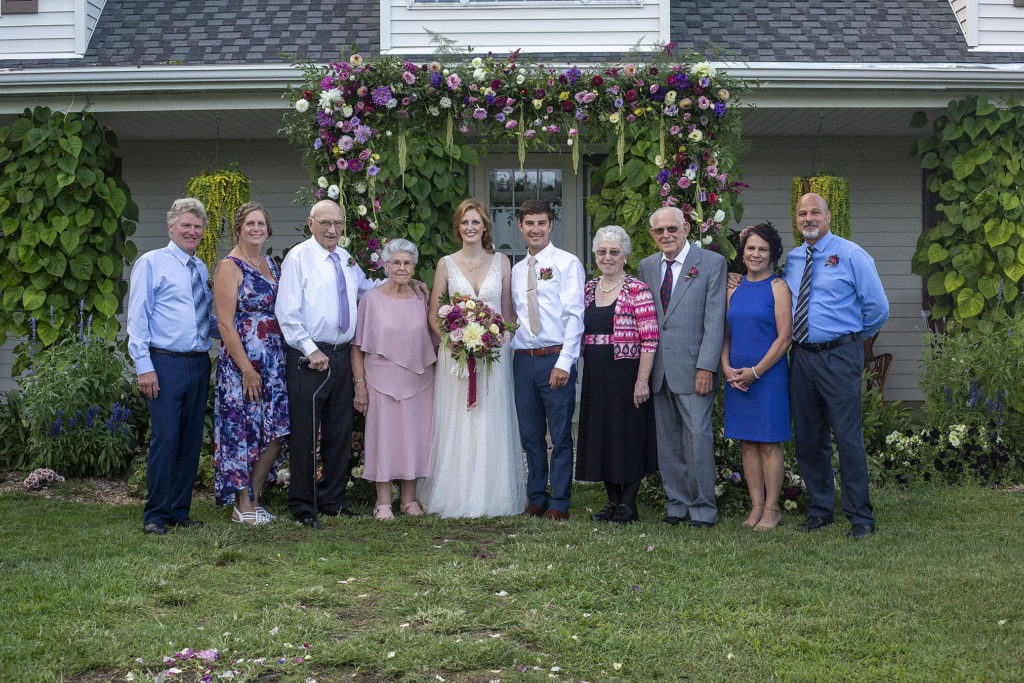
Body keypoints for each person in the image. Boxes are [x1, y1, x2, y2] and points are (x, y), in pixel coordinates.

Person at [275, 200, 428, 527]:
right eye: (325, 223)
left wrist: (404, 281)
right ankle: (303, 505)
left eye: (338, 224)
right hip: (309, 357)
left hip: (342, 355)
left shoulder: (344, 258)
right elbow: (286, 312)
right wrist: (309, 348)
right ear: (311, 223)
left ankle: (333, 499)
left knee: (340, 432)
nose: (332, 230)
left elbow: (370, 289)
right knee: (306, 433)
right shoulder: (298, 258)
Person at [784, 193, 888, 538]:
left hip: (840, 355)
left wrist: (852, 339)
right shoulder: (795, 258)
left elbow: (877, 309)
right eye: (802, 213)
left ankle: (860, 517)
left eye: (815, 212)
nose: (808, 218)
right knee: (810, 437)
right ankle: (820, 510)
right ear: (796, 221)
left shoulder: (851, 254)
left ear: (828, 217)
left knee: (847, 437)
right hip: (801, 356)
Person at [420, 199, 526, 517]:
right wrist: (451, 343)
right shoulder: (445, 263)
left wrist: (497, 340)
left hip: (494, 356)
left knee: (491, 419)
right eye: (465, 222)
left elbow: (507, 314)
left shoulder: (502, 262)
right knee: (459, 420)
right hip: (456, 356)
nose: (470, 228)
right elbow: (433, 314)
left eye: (476, 222)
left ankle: (492, 495)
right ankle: (454, 495)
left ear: (485, 227)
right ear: (458, 227)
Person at [127, 198, 216, 535]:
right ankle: (156, 514)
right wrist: (143, 366)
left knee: (191, 440)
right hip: (164, 363)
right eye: (185, 225)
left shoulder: (201, 268)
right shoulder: (152, 263)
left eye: (197, 226)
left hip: (198, 363)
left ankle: (180, 511)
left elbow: (205, 320)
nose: (191, 231)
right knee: (166, 438)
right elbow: (137, 318)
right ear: (171, 226)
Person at [638, 206, 727, 528]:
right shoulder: (646, 266)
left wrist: (706, 367)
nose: (666, 235)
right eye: (660, 231)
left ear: (686, 228)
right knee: (668, 442)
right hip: (659, 370)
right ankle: (677, 505)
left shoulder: (711, 264)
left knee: (698, 439)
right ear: (653, 234)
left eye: (672, 229)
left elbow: (714, 321)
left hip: (694, 369)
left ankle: (703, 509)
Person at [212, 202, 289, 526]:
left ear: (268, 228)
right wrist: (246, 370)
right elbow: (226, 324)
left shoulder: (270, 263)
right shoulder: (230, 266)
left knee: (274, 431)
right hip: (242, 365)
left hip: (273, 362)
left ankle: (253, 500)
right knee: (241, 432)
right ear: (239, 228)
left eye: (261, 223)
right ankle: (241, 506)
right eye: (250, 224)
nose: (256, 228)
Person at [576, 225, 659, 525]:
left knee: (629, 436)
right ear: (595, 255)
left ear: (625, 256)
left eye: (614, 252)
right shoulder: (587, 288)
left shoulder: (637, 289)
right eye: (602, 251)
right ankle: (612, 501)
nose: (607, 257)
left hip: (627, 372)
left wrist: (642, 380)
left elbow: (650, 338)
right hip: (596, 375)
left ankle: (628, 503)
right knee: (602, 434)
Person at [511, 198, 586, 520]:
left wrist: (565, 362)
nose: (535, 229)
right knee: (530, 435)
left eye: (541, 223)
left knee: (559, 436)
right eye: (529, 223)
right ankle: (537, 497)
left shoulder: (567, 263)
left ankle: (560, 502)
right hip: (523, 360)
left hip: (554, 357)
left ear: (551, 225)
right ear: (520, 227)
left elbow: (574, 315)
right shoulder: (515, 270)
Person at [351, 239, 436, 520]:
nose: (402, 268)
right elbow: (357, 347)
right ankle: (383, 502)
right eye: (396, 263)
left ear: (414, 267)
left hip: (419, 379)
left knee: (414, 437)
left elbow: (434, 337)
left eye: (407, 263)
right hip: (380, 380)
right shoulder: (371, 299)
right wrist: (360, 385)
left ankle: (409, 500)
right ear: (385, 266)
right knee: (383, 439)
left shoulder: (421, 297)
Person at [721, 223, 792, 531]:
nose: (756, 254)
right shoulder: (733, 288)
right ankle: (756, 507)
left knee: (768, 444)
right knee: (747, 444)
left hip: (768, 377)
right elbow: (726, 335)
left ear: (772, 253)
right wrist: (725, 366)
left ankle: (773, 508)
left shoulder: (779, 287)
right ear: (743, 252)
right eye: (750, 248)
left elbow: (784, 338)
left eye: (763, 249)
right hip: (736, 377)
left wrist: (756, 372)